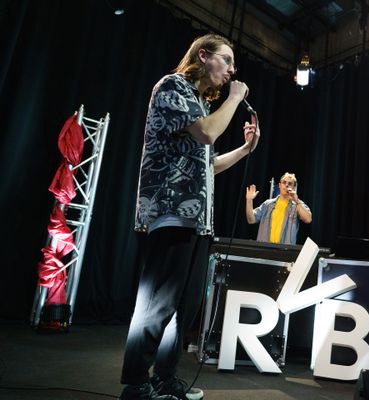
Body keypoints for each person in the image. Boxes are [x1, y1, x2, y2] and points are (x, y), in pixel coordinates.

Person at [120, 34, 260, 400]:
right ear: (203, 55)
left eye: (233, 65)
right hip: (170, 214)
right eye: (226, 60)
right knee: (158, 304)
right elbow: (209, 133)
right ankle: (135, 385)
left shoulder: (197, 101)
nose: (231, 70)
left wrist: (245, 150)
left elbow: (206, 165)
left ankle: (165, 379)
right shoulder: (173, 86)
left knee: (186, 307)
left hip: (197, 220)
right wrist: (233, 100)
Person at [245, 172, 312, 245]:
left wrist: (296, 200)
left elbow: (308, 219)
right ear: (279, 185)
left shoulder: (297, 205)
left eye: (290, 183)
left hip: (284, 251)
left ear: (294, 187)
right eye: (284, 182)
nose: (286, 185)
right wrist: (249, 200)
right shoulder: (268, 204)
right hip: (264, 249)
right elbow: (251, 220)